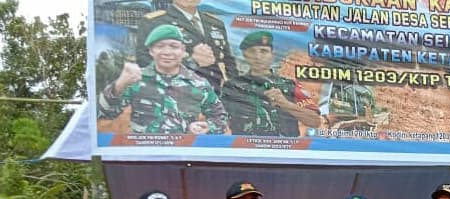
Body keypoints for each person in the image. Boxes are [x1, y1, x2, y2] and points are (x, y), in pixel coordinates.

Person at [98, 24, 228, 134]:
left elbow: (220, 118)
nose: (167, 52)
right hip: (144, 158)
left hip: (185, 157)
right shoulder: (135, 79)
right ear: (151, 51)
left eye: (174, 46)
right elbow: (104, 113)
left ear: (183, 51)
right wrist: (121, 83)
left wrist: (207, 128)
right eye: (160, 46)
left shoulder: (199, 84)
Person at [223, 31, 321, 136]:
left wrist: (285, 104)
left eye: (263, 51)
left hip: (284, 149)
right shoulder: (232, 86)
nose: (258, 56)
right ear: (245, 55)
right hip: (246, 149)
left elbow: (315, 121)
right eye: (252, 51)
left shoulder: (290, 85)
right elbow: (216, 117)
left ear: (272, 55)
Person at [136, 0, 237, 92]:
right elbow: (144, 60)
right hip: (176, 94)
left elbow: (227, 59)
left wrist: (230, 89)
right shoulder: (155, 21)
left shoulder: (215, 22)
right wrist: (191, 61)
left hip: (215, 94)